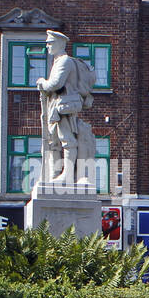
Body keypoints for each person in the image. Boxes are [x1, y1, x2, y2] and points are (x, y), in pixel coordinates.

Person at [36, 30, 97, 188]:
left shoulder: (64, 61)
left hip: (63, 106)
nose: (47, 46)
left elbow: (56, 84)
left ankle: (68, 175)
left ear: (59, 44)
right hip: (57, 106)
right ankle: (54, 175)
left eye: (50, 43)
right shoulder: (57, 61)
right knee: (54, 141)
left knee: (67, 140)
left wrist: (42, 82)